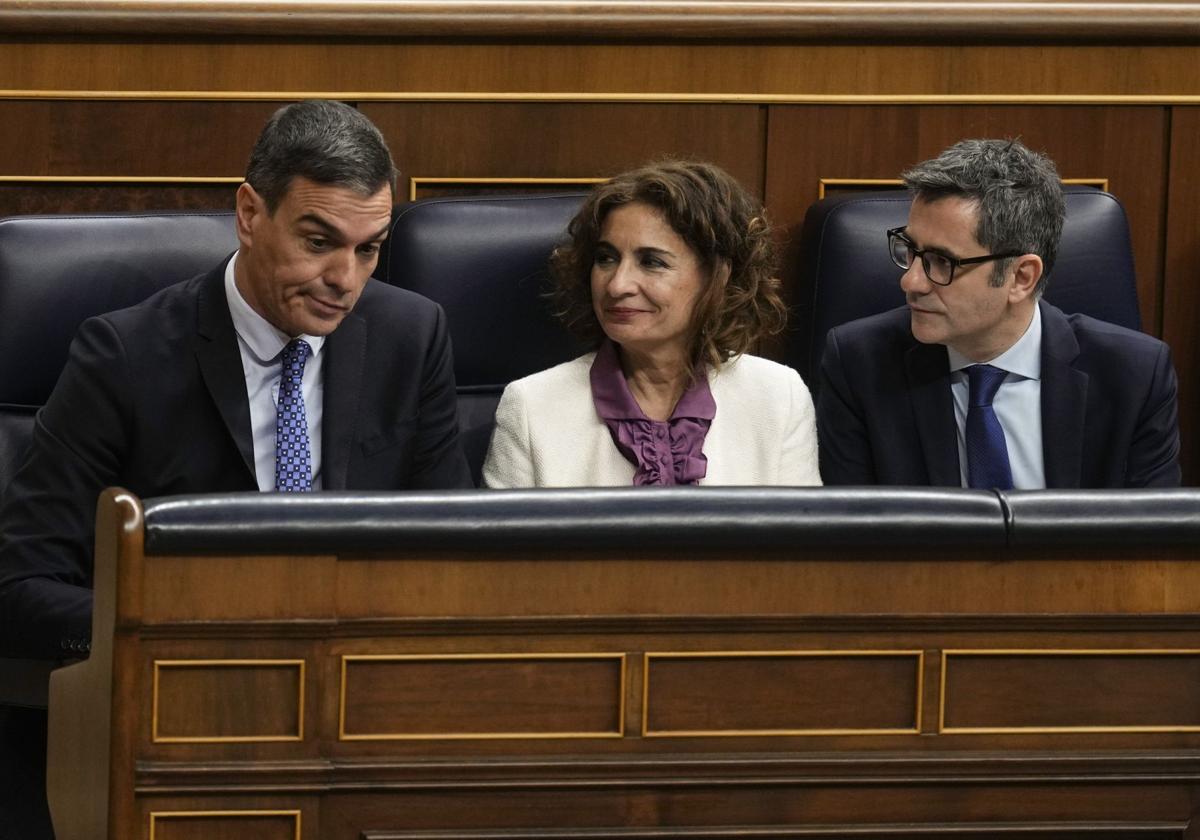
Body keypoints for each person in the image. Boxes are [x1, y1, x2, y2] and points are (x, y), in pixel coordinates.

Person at [0, 99, 472, 662]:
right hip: (183, 679)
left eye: (368, 249)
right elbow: (22, 587)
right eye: (318, 243)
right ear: (249, 214)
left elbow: (452, 553)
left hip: (360, 674)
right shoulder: (125, 356)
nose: (345, 280)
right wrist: (181, 634)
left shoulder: (412, 337)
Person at [817, 138, 1180, 488]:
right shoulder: (860, 365)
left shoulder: (1134, 377)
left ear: (1021, 277)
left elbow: (1150, 541)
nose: (911, 281)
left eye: (942, 262)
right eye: (909, 249)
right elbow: (856, 540)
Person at [482, 160, 821, 488]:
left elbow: (801, 546)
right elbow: (502, 547)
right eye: (606, 258)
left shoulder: (779, 398)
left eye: (652, 262)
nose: (617, 285)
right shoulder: (531, 407)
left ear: (717, 278)